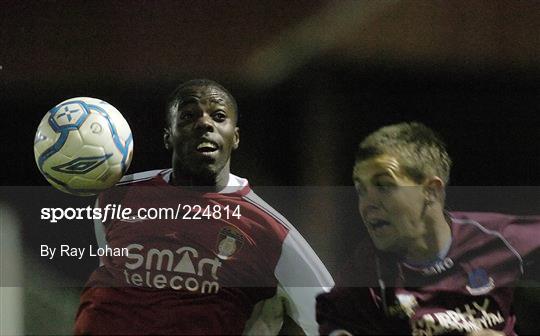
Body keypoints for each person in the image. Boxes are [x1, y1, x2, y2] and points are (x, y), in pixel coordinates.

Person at [75, 79, 334, 335]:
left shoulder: (267, 230)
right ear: (168, 136)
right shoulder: (118, 196)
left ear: (235, 137)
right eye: (188, 116)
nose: (205, 124)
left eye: (219, 116)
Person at [316, 122, 539, 336]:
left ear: (431, 191)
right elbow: (331, 319)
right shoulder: (367, 271)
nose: (367, 204)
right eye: (361, 190)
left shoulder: (497, 238)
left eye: (384, 186)